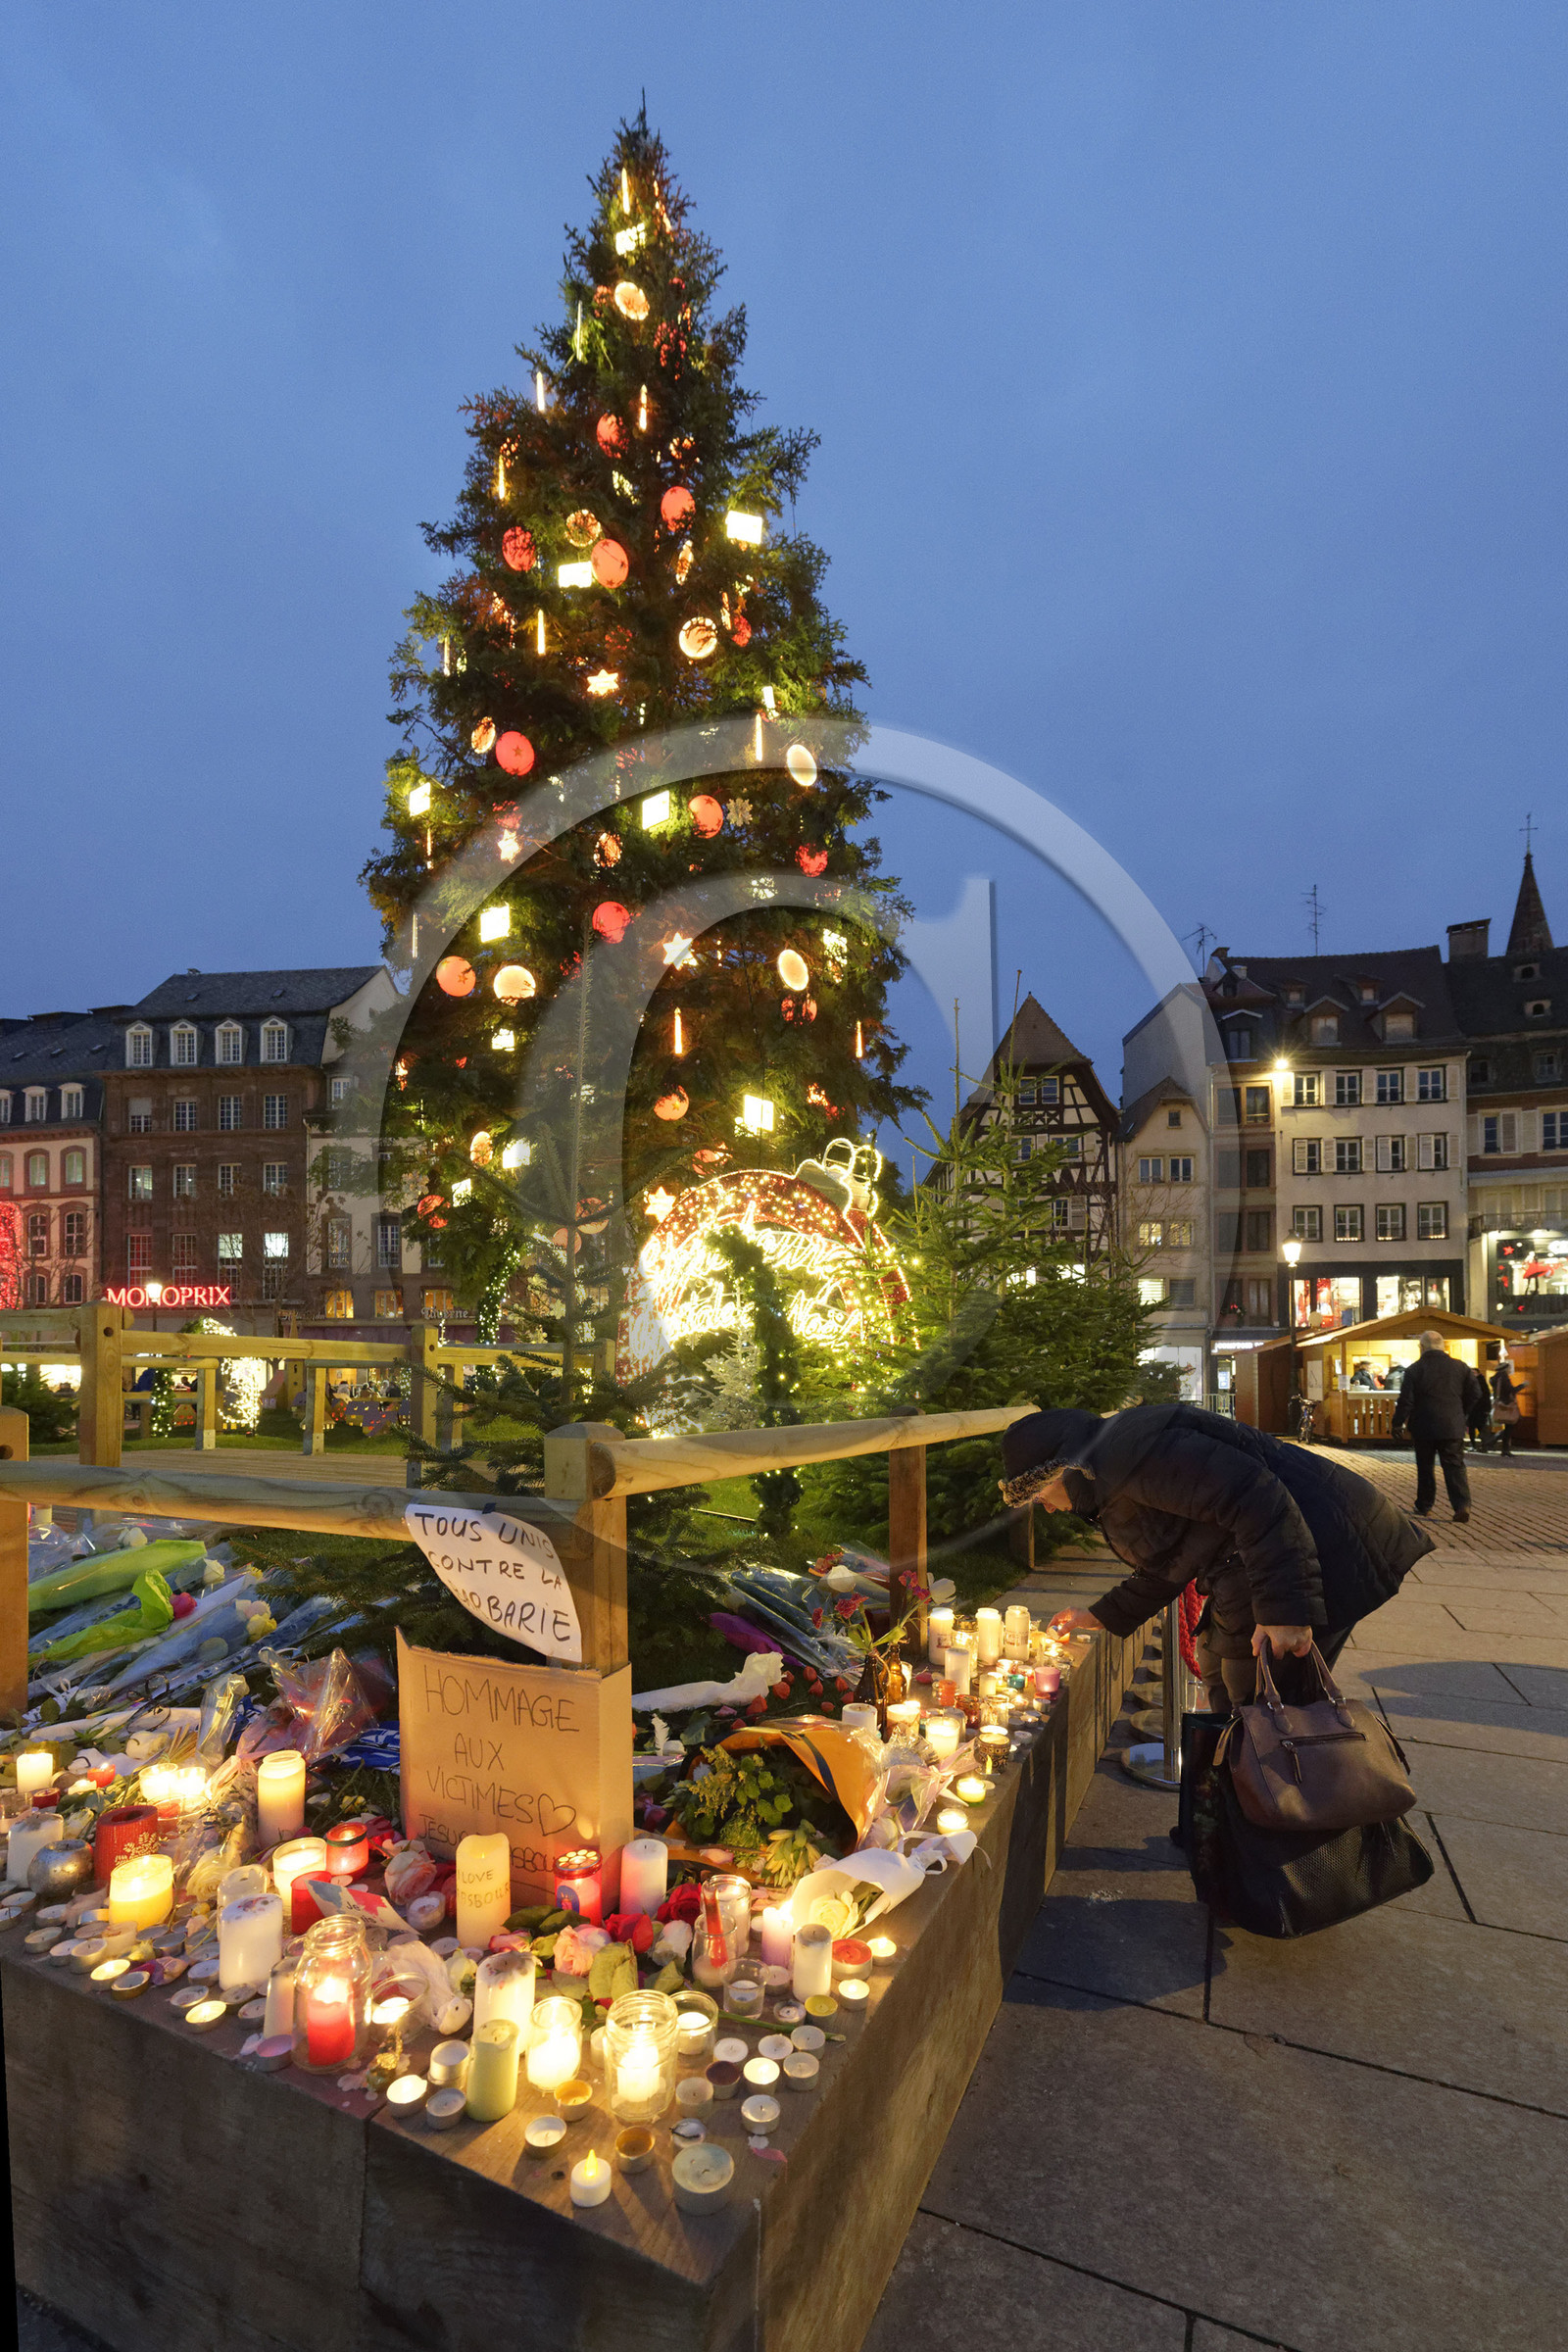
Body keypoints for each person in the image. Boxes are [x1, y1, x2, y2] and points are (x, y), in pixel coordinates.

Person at [1000, 1401, 1433, 1712]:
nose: (1048, 1506)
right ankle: (1225, 1817)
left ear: (1061, 1468)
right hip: (1255, 1562)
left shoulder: (1130, 1456)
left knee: (1264, 1705)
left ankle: (1279, 1820)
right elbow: (1174, 1554)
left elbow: (1258, 1501)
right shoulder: (1112, 1471)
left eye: (1039, 1495)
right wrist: (1100, 1614)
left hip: (1324, 1546)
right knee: (1219, 1672)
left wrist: (1285, 1611)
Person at [1391, 1330, 1486, 1521]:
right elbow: (1476, 1393)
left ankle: (1425, 1505)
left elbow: (1406, 1400)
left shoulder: (1415, 1370)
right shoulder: (1461, 1367)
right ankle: (1462, 1505)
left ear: (1422, 1347)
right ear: (1443, 1346)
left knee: (1425, 1466)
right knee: (1455, 1466)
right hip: (1452, 1425)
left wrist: (1397, 1423)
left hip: (1423, 1425)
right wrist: (1460, 1411)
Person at [1492, 1355, 1521, 1459]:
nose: (1510, 1370)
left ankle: (1498, 1444)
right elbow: (1510, 1390)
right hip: (1507, 1405)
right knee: (1510, 1426)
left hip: (1500, 1404)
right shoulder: (1504, 1378)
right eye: (1508, 1368)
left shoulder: (1496, 1378)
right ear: (1505, 1369)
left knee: (1508, 1427)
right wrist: (1522, 1386)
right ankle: (1501, 1447)